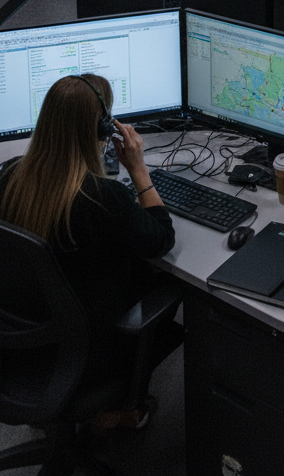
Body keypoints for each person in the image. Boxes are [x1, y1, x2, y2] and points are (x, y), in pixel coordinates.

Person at [0, 73, 178, 422]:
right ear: (101, 131)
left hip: (19, 347)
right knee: (166, 284)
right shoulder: (103, 197)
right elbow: (161, 240)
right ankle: (120, 411)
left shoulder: (9, 176)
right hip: (85, 356)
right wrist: (139, 171)